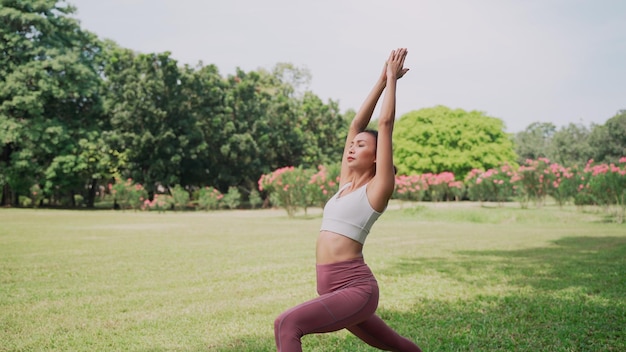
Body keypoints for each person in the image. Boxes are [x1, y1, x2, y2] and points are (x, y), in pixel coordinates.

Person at [274, 48, 423, 352]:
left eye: (361, 146)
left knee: (287, 324)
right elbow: (357, 124)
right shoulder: (345, 186)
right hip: (334, 291)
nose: (352, 148)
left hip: (355, 290)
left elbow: (384, 125)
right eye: (351, 146)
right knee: (398, 346)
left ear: (376, 158)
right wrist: (380, 80)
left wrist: (393, 80)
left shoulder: (377, 189)